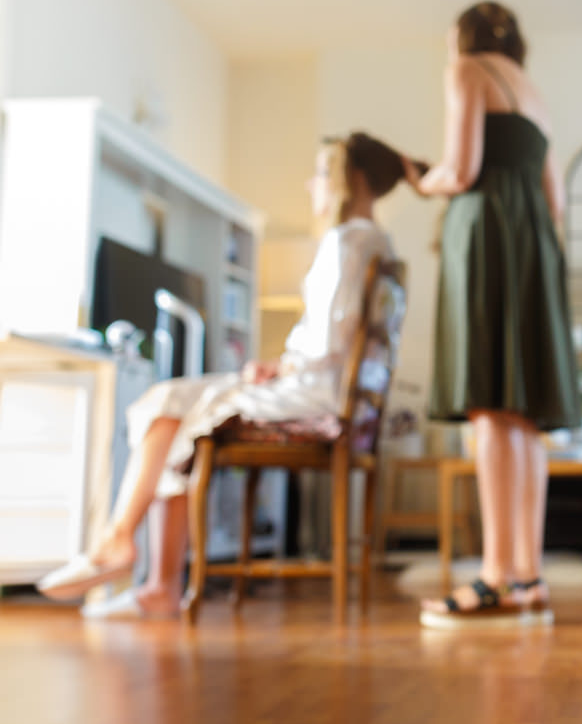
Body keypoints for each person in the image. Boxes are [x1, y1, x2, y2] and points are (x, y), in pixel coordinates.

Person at [37, 132, 410, 618]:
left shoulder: (346, 242)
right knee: (171, 405)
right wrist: (281, 365)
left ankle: (132, 556)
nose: (310, 183)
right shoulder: (380, 244)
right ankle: (144, 569)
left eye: (319, 173)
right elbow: (342, 340)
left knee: (166, 403)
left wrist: (282, 369)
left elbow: (324, 344)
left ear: (349, 178)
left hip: (314, 395)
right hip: (334, 392)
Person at [408, 0, 581, 626]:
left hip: (485, 236)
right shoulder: (534, 96)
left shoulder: (466, 71)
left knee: (489, 407)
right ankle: (527, 577)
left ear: (463, 37)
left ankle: (492, 577)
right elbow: (554, 198)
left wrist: (419, 178)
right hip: (533, 241)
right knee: (522, 417)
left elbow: (462, 169)